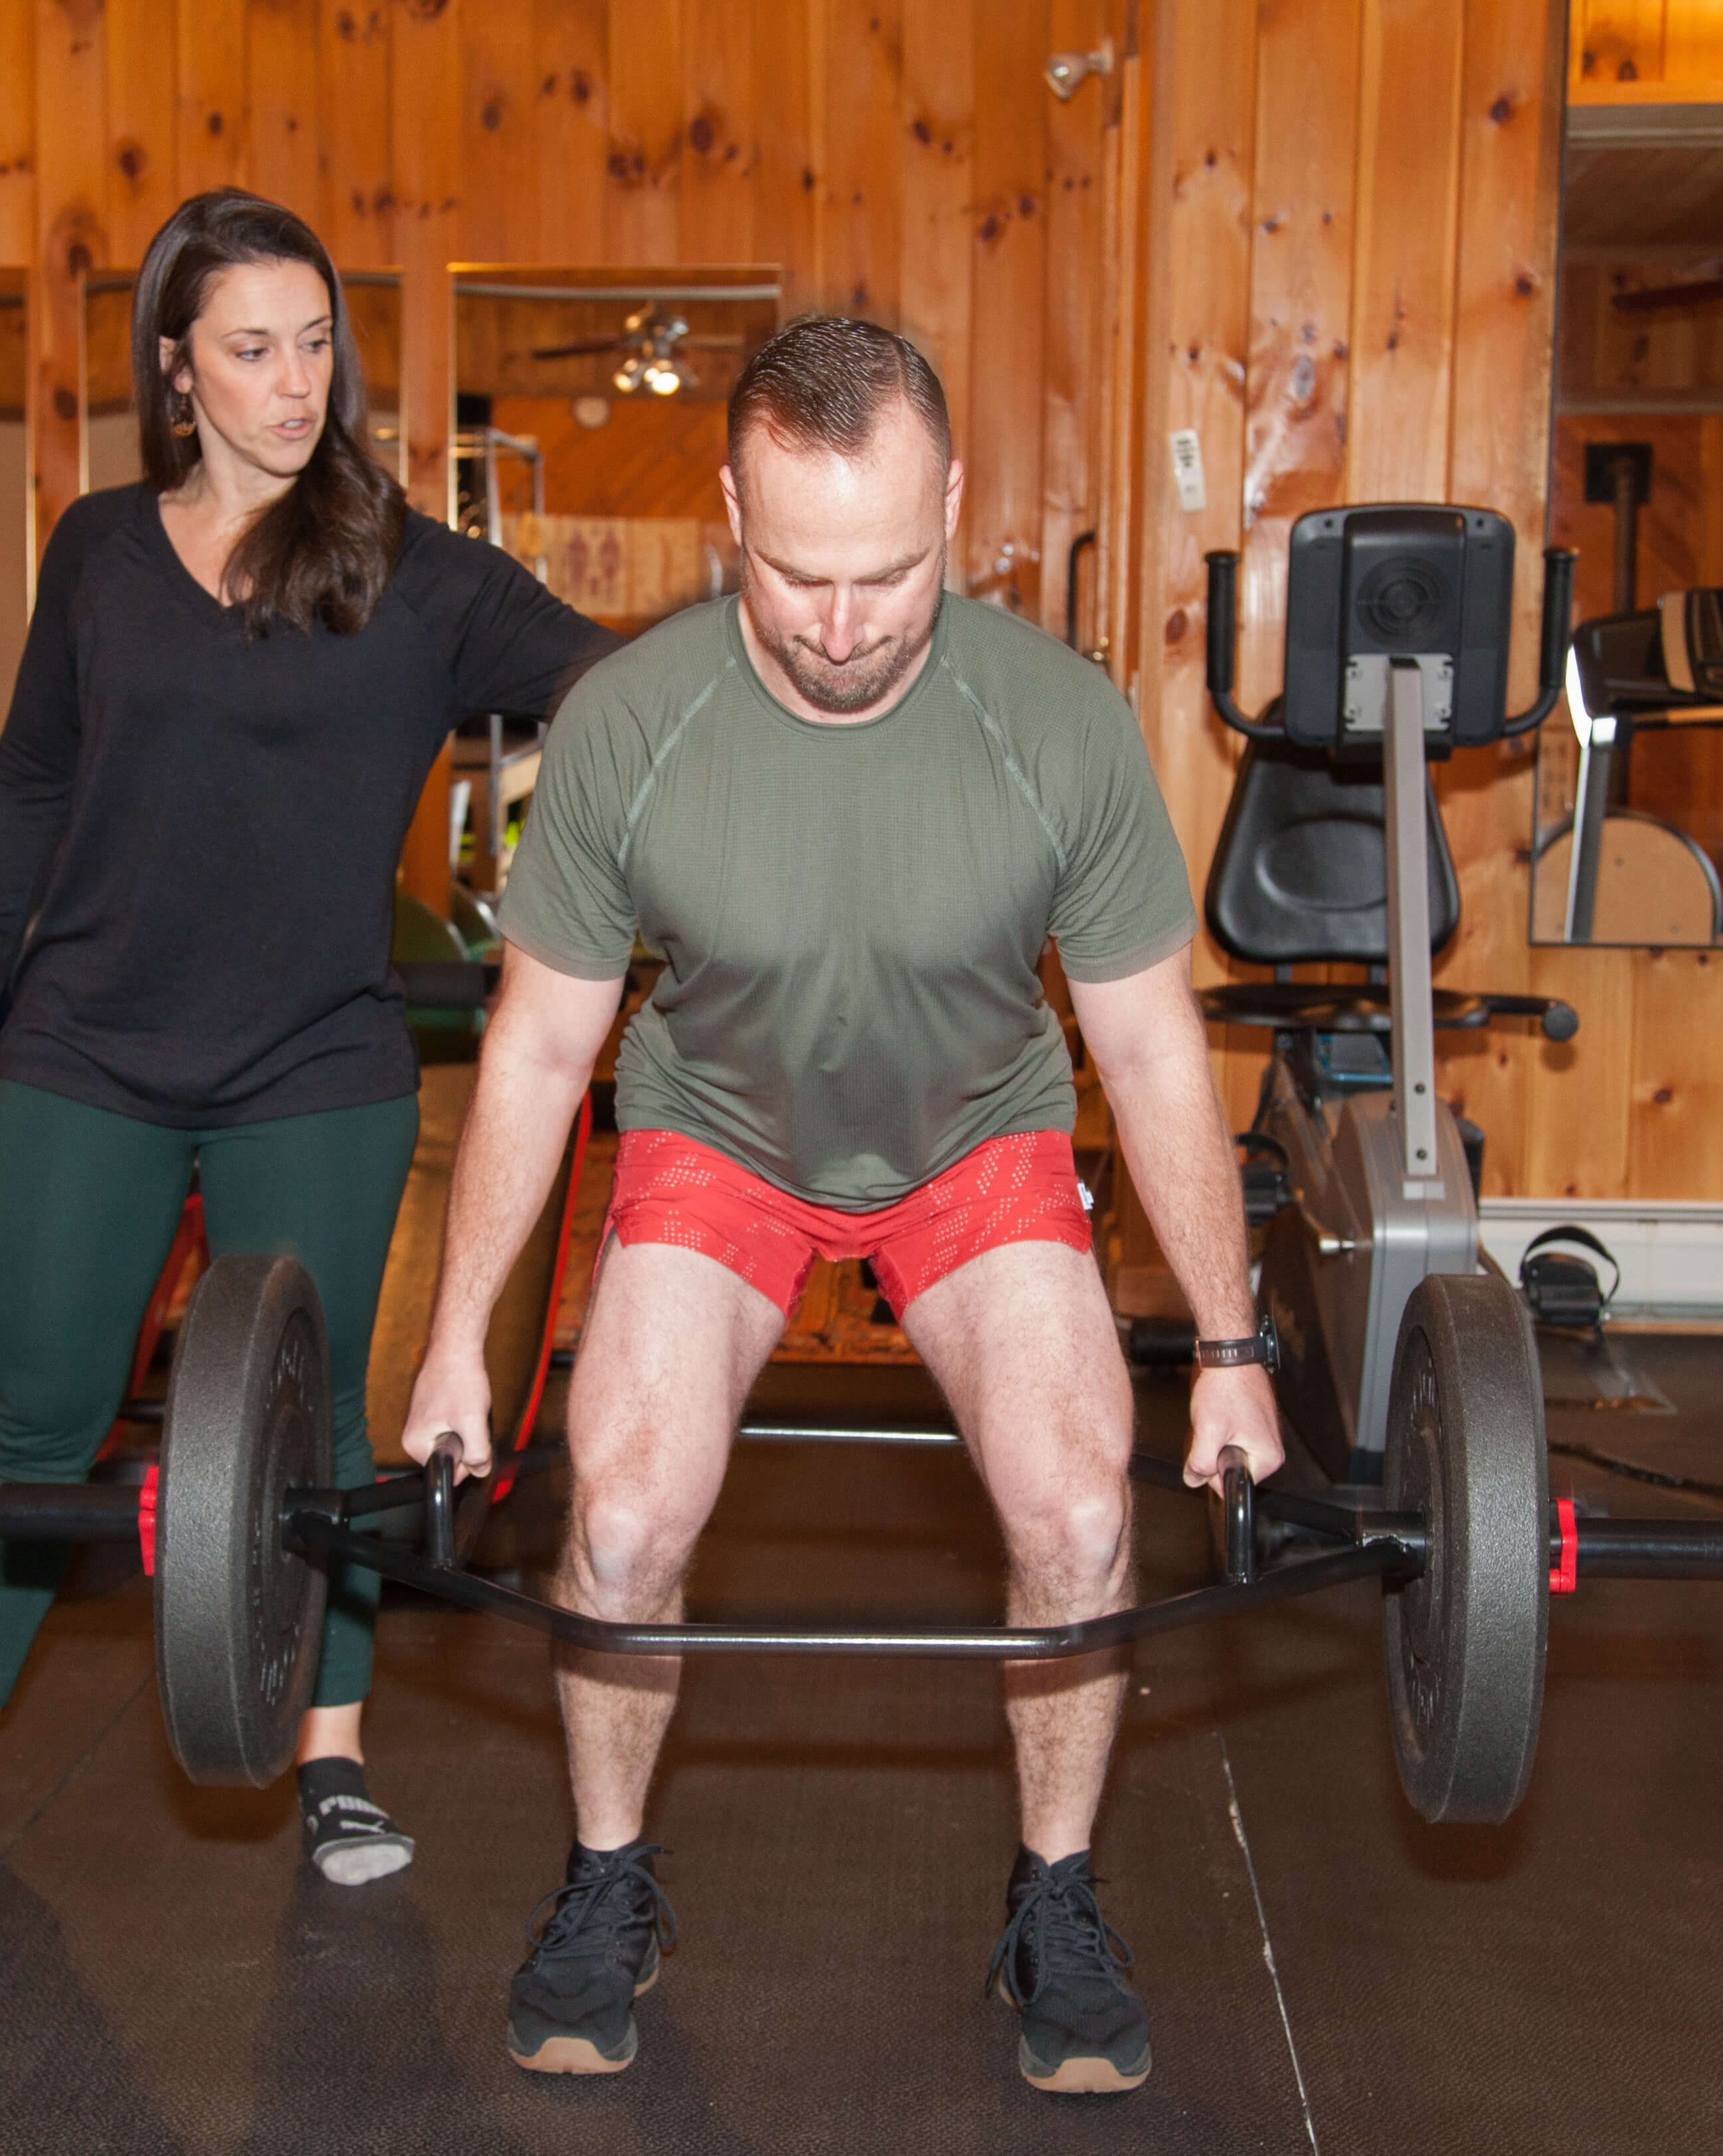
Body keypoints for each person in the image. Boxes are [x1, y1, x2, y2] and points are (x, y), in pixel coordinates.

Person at [397, 317, 1284, 2092]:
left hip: (976, 1137)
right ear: (730, 511)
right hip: (718, 1133)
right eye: (799, 574)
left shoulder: (1057, 722)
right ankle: (604, 1881)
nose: (843, 621)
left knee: (1078, 1510)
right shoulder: (627, 723)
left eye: (888, 572)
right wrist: (451, 1349)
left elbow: (1153, 1051)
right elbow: (536, 1050)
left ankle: (1053, 1897)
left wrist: (1235, 1347)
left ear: (953, 505)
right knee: (627, 1515)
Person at [0, 189, 614, 1891]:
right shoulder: (98, 549)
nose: (293, 382)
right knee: (37, 1417)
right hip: (84, 1045)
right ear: (176, 369)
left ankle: (331, 1759)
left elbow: (618, 691)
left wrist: (805, 640)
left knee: (317, 1438)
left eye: (316, 344)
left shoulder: (419, 576)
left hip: (313, 1065)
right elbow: (29, 782)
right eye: (252, 350)